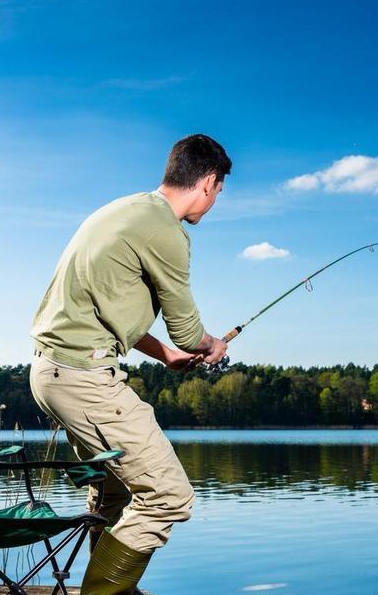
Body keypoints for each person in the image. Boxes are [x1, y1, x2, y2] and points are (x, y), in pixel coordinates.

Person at [29, 134, 232, 594]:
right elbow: (188, 331)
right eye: (218, 191)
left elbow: (110, 309)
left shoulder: (123, 211)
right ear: (207, 182)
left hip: (52, 372)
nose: (215, 200)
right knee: (168, 496)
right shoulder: (167, 233)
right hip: (83, 376)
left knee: (117, 486)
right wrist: (210, 345)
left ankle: (118, 586)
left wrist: (165, 355)